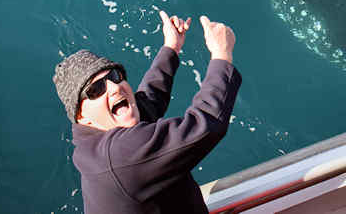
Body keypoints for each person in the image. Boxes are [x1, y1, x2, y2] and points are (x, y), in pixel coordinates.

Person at [53, 11, 242, 214]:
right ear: (81, 115)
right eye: (96, 90)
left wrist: (172, 47)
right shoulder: (119, 155)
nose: (114, 88)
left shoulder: (98, 139)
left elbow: (148, 100)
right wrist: (222, 54)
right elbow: (205, 124)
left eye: (115, 76)